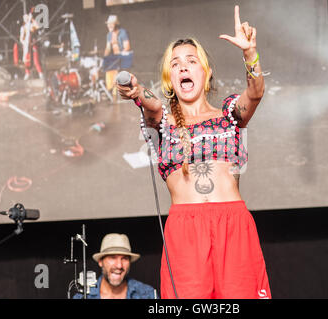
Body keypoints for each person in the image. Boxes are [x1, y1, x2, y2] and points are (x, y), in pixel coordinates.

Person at [117, 6, 271, 299]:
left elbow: (255, 93)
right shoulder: (162, 120)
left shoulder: (228, 113)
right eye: (175, 64)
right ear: (169, 77)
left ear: (206, 72)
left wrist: (250, 53)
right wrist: (137, 92)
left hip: (234, 227)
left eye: (191, 61)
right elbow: (151, 106)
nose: (184, 67)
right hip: (186, 232)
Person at [73, 233, 158, 299]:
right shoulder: (83, 296)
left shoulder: (147, 294)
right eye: (112, 258)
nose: (119, 265)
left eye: (124, 258)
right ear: (100, 262)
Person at [103, 15, 133, 100]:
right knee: (108, 68)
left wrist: (120, 53)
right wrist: (105, 57)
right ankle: (111, 90)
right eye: (108, 24)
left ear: (116, 24)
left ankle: (115, 91)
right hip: (115, 58)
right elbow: (108, 48)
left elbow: (127, 47)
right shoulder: (109, 35)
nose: (109, 26)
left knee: (115, 68)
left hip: (124, 56)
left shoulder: (123, 32)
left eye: (111, 24)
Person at [18, 13, 44, 80]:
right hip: (26, 46)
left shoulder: (31, 26)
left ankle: (40, 73)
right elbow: (21, 38)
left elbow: (37, 26)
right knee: (26, 61)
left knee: (36, 60)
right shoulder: (23, 28)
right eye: (25, 18)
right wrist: (25, 43)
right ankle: (27, 73)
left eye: (27, 18)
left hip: (33, 45)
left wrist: (32, 18)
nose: (26, 19)